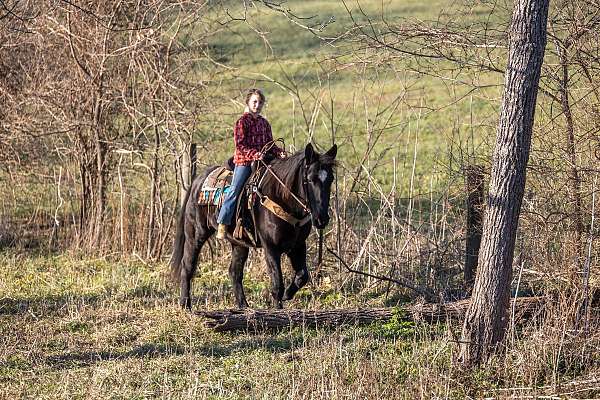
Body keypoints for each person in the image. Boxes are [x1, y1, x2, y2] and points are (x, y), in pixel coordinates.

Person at [216, 88, 286, 239]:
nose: (257, 105)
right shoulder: (242, 122)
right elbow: (240, 145)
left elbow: (270, 144)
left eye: (260, 102)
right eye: (255, 101)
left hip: (263, 160)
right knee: (235, 188)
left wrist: (278, 152)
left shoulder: (264, 123)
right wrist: (254, 154)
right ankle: (223, 222)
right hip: (245, 161)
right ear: (248, 102)